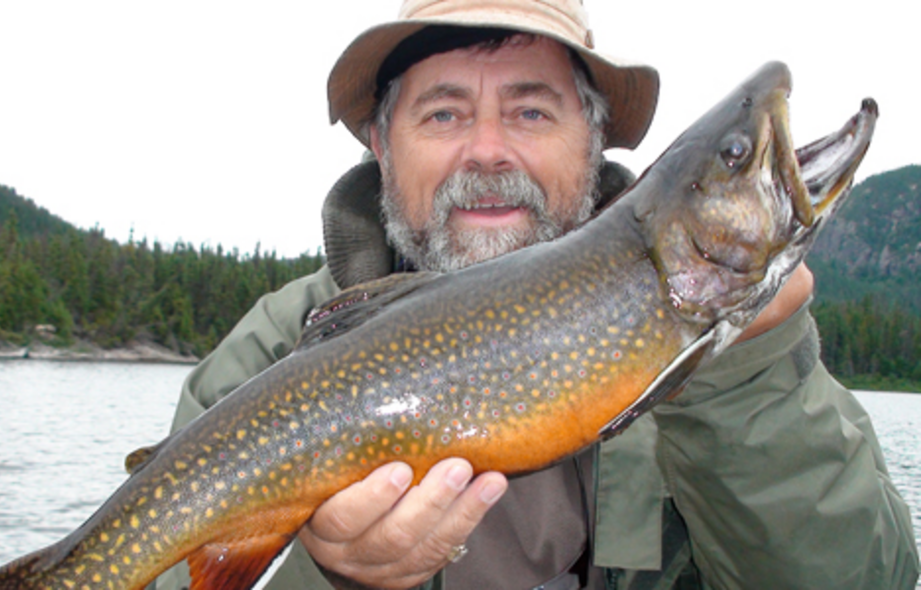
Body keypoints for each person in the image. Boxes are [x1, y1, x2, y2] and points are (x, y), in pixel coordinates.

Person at [152, 1, 919, 589]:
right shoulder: (269, 356)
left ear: (593, 139)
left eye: (530, 110)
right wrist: (329, 576)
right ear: (384, 146)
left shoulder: (733, 346)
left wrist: (747, 377)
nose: (487, 149)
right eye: (444, 112)